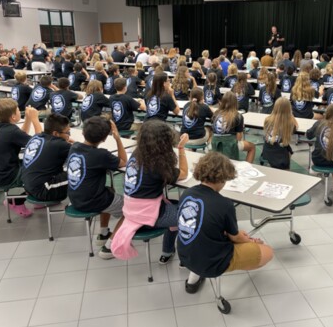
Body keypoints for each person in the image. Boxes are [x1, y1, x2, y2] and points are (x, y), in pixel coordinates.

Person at [177, 152, 273, 292]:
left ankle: (194, 277)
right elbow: (235, 237)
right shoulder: (224, 204)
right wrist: (251, 242)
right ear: (223, 178)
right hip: (210, 261)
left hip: (185, 255)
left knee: (221, 235)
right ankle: (219, 268)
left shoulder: (187, 193)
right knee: (268, 252)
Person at [112, 120, 188, 263]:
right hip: (146, 214)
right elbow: (183, 173)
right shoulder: (157, 164)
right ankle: (185, 258)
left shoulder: (138, 153)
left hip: (131, 210)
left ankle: (167, 251)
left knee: (177, 206)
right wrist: (181, 148)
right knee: (189, 216)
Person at [67, 117, 127, 259]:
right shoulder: (101, 155)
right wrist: (118, 138)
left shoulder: (74, 147)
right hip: (92, 201)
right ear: (105, 138)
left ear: (83, 132)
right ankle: (110, 247)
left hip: (75, 198)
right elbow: (124, 161)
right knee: (132, 209)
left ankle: (104, 232)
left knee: (109, 191)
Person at [0, 99, 42, 217]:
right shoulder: (11, 131)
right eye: (18, 110)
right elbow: (39, 143)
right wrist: (34, 119)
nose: (20, 111)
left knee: (32, 163)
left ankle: (36, 196)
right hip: (4, 176)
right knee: (39, 171)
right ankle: (16, 201)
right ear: (13, 117)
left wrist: (27, 118)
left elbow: (20, 135)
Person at [21, 114, 73, 202]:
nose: (69, 135)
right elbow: (84, 154)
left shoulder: (36, 137)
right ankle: (89, 204)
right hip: (44, 190)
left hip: (27, 186)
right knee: (80, 174)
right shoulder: (59, 145)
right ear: (55, 133)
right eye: (67, 132)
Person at [306, 104, 333, 193]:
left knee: (318, 149)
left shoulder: (319, 123)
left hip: (317, 159)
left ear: (327, 112)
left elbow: (308, 135)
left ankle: (314, 169)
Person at [211, 92, 255, 163]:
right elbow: (239, 138)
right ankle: (247, 167)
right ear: (235, 103)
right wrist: (241, 129)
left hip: (215, 144)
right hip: (230, 145)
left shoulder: (216, 114)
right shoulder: (238, 116)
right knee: (252, 147)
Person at [262, 98, 298, 169]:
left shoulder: (267, 120)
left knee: (287, 148)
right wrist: (290, 114)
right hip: (281, 156)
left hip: (266, 152)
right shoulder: (290, 123)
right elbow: (295, 128)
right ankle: (286, 170)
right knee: (288, 150)